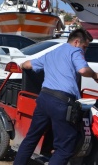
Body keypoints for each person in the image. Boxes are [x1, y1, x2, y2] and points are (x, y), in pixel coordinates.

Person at [13, 28, 98, 165]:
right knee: (65, 148)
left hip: (44, 99)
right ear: (76, 42)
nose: (84, 51)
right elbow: (82, 70)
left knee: (31, 138)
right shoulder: (75, 51)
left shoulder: (51, 53)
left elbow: (27, 64)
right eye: (84, 47)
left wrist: (21, 65)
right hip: (62, 104)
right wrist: (94, 75)